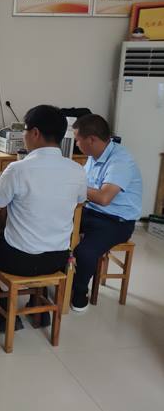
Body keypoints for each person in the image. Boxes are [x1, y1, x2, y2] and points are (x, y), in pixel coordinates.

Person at [0, 105, 87, 331]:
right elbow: (79, 201)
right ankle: (39, 308)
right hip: (58, 258)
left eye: (25, 130)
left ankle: (4, 314)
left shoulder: (19, 169)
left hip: (18, 259)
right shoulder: (77, 170)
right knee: (35, 241)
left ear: (35, 133)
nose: (24, 135)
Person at [70, 114, 142, 312]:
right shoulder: (93, 157)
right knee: (55, 227)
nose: (76, 144)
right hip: (91, 212)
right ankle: (59, 278)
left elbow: (103, 198)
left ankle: (79, 292)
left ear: (91, 139)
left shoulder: (120, 161)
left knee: (85, 252)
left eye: (77, 140)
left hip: (117, 221)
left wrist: (72, 185)